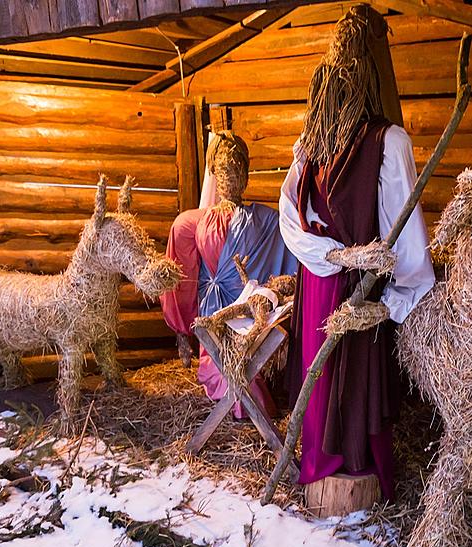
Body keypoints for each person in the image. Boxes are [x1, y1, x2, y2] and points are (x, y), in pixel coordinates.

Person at [278, 8, 435, 500]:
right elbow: (290, 216)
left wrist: (393, 297)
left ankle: (352, 468)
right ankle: (324, 465)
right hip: (329, 280)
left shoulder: (385, 142)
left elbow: (399, 230)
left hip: (352, 286)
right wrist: (341, 256)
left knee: (351, 376)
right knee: (323, 377)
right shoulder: (310, 146)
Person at [161, 131, 297, 418]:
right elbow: (180, 278)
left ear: (246, 175)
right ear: (213, 172)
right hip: (213, 315)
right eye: (223, 169)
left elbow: (293, 250)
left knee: (251, 368)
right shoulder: (191, 223)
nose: (230, 177)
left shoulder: (267, 220)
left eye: (236, 169)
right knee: (230, 373)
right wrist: (182, 329)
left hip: (250, 315)